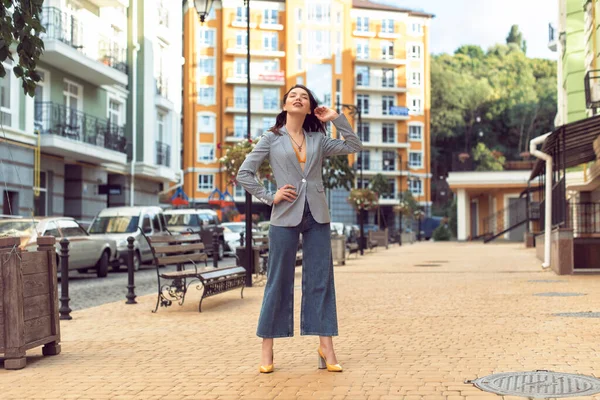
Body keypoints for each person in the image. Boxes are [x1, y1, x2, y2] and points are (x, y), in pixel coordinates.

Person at [236, 84, 363, 373]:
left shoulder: (319, 139)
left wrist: (336, 118)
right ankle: (267, 349)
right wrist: (271, 196)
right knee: (278, 280)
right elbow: (244, 173)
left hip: (317, 214)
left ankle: (326, 347)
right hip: (284, 215)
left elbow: (354, 146)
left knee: (320, 280)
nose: (298, 98)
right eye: (293, 95)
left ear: (309, 108)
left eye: (303, 97)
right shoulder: (271, 138)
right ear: (284, 106)